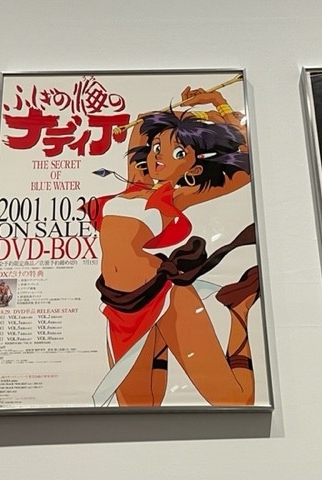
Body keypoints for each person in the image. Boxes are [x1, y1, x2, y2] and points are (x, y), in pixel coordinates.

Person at [85, 86, 259, 407]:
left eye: (178, 154)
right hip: (120, 308)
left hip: (167, 299)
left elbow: (249, 162)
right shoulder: (134, 181)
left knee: (235, 400)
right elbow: (143, 122)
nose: (160, 158)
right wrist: (180, 113)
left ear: (193, 168)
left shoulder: (176, 196)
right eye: (157, 148)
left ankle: (240, 309)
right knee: (136, 409)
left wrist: (216, 104)